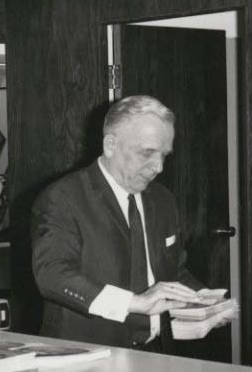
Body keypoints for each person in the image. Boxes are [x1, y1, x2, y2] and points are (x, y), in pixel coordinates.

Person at [31, 95, 235, 350]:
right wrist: (136, 302)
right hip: (87, 355)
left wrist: (202, 301)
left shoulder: (162, 199)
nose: (158, 167)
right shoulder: (63, 198)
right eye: (147, 153)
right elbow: (52, 274)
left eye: (164, 155)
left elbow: (173, 272)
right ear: (111, 144)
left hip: (157, 352)